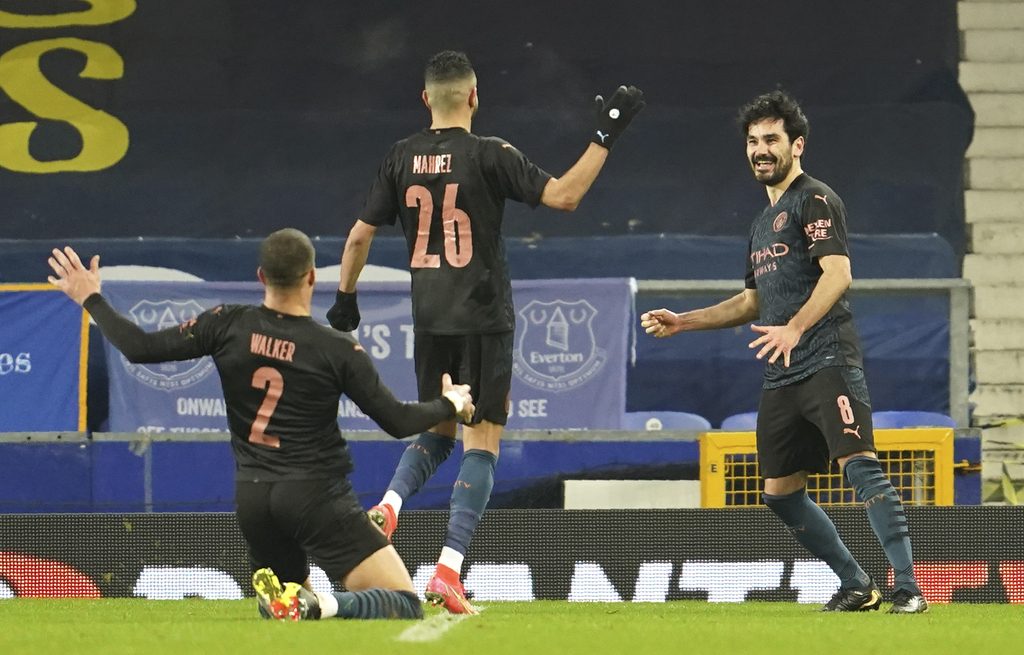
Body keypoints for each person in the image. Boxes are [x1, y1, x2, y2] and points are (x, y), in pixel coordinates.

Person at [327, 50, 644, 614]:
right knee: (483, 439)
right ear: (474, 97)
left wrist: (345, 301)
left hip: (430, 320)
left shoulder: (399, 157)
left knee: (439, 427)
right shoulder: (491, 153)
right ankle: (448, 571)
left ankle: (390, 505)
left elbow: (357, 237)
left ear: (425, 99)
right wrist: (606, 134)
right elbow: (565, 196)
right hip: (484, 316)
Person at [46, 229, 477, 621]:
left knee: (287, 612)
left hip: (254, 499)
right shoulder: (336, 348)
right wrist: (450, 403)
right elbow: (397, 420)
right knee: (403, 603)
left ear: (261, 277)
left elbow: (139, 347)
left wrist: (91, 297)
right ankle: (320, 603)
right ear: (312, 277)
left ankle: (302, 602)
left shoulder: (225, 323)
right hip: (314, 496)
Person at [640, 90, 928, 614]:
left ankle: (908, 589)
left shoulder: (814, 199)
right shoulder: (759, 224)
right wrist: (684, 321)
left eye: (771, 139)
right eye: (753, 141)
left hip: (827, 358)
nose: (760, 150)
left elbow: (838, 274)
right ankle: (857, 585)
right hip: (783, 372)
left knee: (860, 465)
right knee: (778, 492)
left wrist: (795, 327)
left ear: (797, 145)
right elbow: (751, 302)